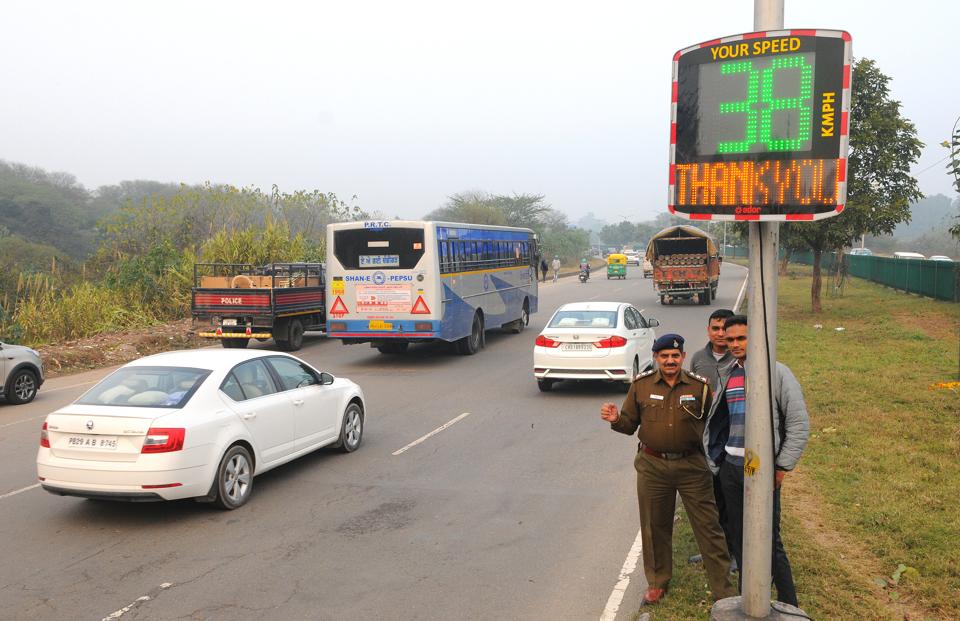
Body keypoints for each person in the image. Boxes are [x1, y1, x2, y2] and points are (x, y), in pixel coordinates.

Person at [601, 334, 736, 608]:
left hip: (692, 466)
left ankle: (723, 590)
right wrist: (616, 419)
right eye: (664, 356)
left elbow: (715, 424)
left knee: (709, 527)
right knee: (654, 526)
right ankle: (657, 582)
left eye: (675, 356)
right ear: (657, 358)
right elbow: (629, 424)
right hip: (653, 466)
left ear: (683, 357)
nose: (670, 360)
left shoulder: (699, 388)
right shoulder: (641, 386)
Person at [704, 315, 810, 608]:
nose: (735, 344)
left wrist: (781, 467)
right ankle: (746, 601)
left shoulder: (776, 373)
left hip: (762, 472)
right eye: (731, 339)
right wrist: (719, 460)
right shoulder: (728, 373)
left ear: (756, 339)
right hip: (732, 469)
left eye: (742, 338)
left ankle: (790, 604)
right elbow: (721, 421)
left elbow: (800, 424)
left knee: (770, 541)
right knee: (739, 539)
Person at [687, 308, 736, 568]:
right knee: (710, 500)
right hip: (705, 444)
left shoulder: (741, 358)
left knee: (732, 500)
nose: (720, 334)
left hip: (734, 441)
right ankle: (712, 552)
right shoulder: (697, 359)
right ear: (708, 330)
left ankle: (735, 552)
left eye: (724, 328)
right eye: (715, 328)